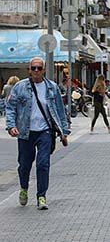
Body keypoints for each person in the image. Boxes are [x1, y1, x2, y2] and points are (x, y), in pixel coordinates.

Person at [5, 57, 70, 210]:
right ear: (29, 69)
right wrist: (11, 126)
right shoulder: (20, 87)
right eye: (33, 68)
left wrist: (64, 132)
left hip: (45, 131)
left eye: (39, 68)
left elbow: (60, 111)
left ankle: (41, 196)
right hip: (25, 132)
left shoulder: (52, 87)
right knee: (24, 165)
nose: (36, 71)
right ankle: (23, 189)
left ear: (43, 70)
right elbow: (10, 107)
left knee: (43, 164)